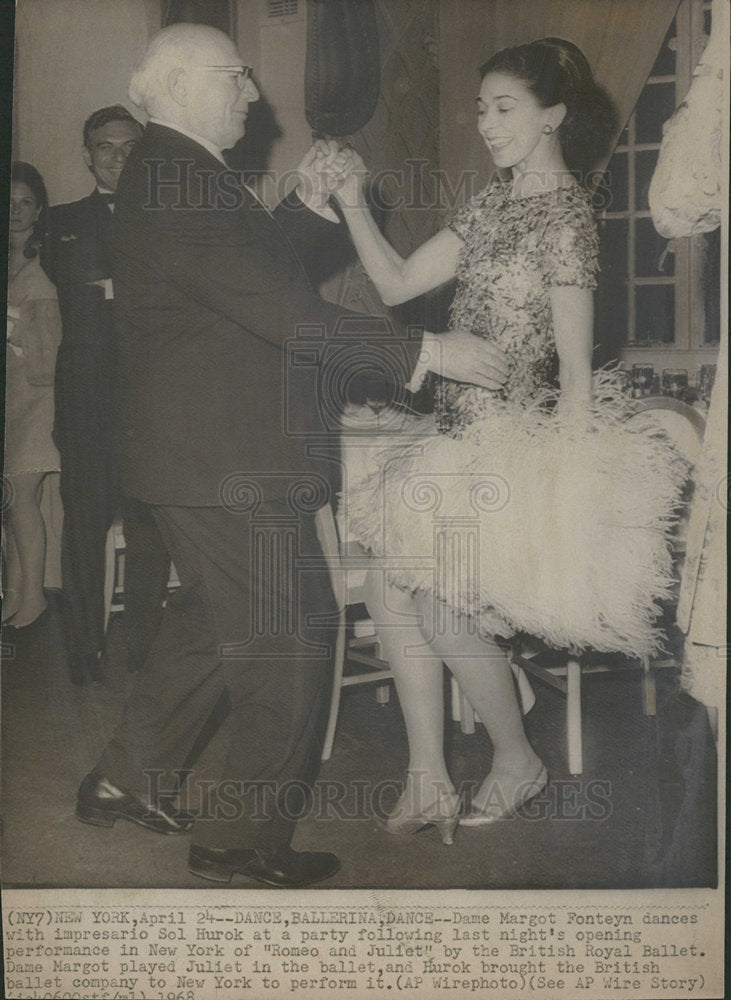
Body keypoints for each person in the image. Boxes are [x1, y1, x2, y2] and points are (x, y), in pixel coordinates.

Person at [74, 22, 511, 887]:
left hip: (198, 456)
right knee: (291, 632)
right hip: (224, 457)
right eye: (238, 76)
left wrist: (307, 209)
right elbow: (287, 317)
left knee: (210, 625)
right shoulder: (178, 176)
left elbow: (250, 282)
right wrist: (425, 352)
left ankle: (126, 780)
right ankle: (240, 841)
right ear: (185, 81)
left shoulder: (179, 172)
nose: (254, 93)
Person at [328, 38, 687, 836]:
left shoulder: (565, 216)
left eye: (503, 108)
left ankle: (517, 757)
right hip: (449, 436)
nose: (484, 123)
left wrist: (567, 488)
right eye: (480, 108)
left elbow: (575, 371)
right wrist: (353, 201)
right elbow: (394, 284)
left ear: (552, 115)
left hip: (505, 447)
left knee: (442, 609)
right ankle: (426, 777)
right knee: (395, 592)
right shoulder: (492, 204)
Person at [48, 105, 171, 683]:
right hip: (87, 410)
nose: (119, 159)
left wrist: (116, 287)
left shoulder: (171, 219)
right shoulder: (62, 221)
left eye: (130, 148)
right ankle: (82, 654)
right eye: (106, 148)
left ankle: (143, 653)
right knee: (84, 529)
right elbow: (76, 288)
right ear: (87, 154)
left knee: (151, 533)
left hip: (154, 408)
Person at [3, 162, 62, 628]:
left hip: (36, 402)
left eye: (26, 202)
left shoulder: (41, 270)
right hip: (14, 402)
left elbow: (45, 360)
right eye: (10, 201)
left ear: (39, 210)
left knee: (20, 498)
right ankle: (16, 595)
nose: (17, 210)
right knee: (13, 501)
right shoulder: (13, 264)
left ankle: (35, 598)